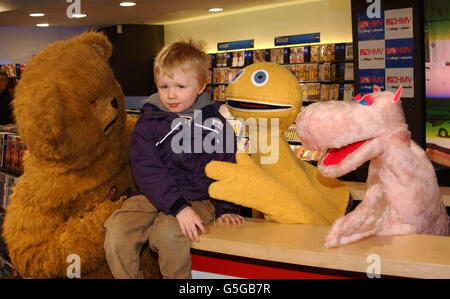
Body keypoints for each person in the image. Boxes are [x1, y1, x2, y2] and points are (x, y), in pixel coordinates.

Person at [104, 39, 245, 279]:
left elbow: (227, 169)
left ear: (202, 85)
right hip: (152, 194)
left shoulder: (217, 126)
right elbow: (147, 171)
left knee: (169, 236)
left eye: (180, 86)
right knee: (117, 235)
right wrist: (178, 207)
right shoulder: (148, 124)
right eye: (163, 86)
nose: (171, 95)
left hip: (197, 197)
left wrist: (227, 208)